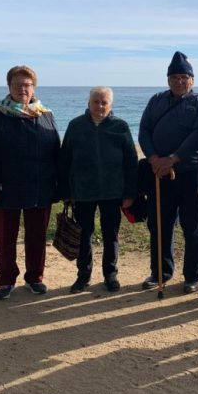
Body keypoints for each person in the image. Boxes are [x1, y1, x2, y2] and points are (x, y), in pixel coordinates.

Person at [0, 65, 60, 300]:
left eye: (27, 85)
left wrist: (59, 186)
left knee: (37, 237)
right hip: (5, 189)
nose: (23, 89)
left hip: (39, 189)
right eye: (18, 85)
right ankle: (6, 280)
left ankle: (35, 278)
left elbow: (56, 152)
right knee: (5, 238)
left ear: (34, 87)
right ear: (9, 87)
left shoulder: (45, 114)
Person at [139, 51, 198, 294]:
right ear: (168, 79)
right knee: (159, 225)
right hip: (159, 173)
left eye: (184, 77)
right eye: (175, 77)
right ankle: (160, 272)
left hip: (192, 173)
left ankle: (193, 275)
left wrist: (173, 158)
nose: (179, 81)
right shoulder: (155, 101)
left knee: (194, 227)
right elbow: (144, 131)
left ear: (192, 80)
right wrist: (154, 158)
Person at [59, 87, 138, 294]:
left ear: (110, 105)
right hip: (82, 192)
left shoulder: (120, 126)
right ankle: (83, 276)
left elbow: (131, 162)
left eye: (104, 102)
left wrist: (129, 194)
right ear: (89, 103)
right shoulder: (75, 126)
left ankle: (110, 275)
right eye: (96, 101)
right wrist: (66, 192)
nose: (100, 106)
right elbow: (64, 160)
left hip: (113, 192)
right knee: (84, 235)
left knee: (110, 235)